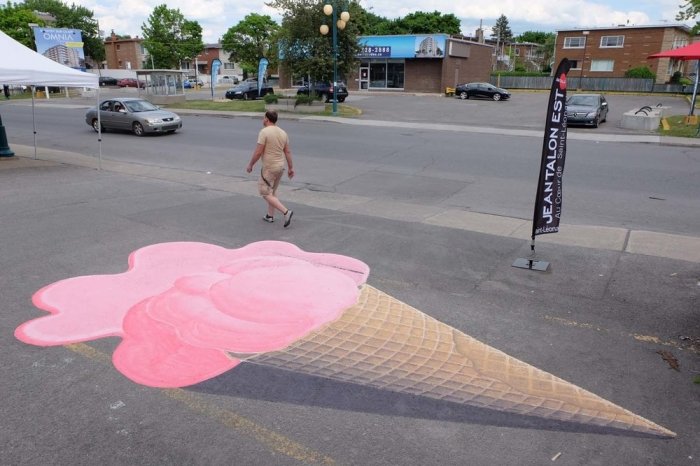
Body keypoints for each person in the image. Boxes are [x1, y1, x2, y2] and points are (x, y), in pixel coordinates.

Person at [246, 110, 295, 227]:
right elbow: (287, 151)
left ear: (267, 119)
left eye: (264, 118)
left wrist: (250, 164)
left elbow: (258, 152)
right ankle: (270, 215)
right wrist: (290, 168)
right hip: (280, 167)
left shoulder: (264, 132)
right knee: (272, 191)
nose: (263, 120)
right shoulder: (283, 133)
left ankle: (286, 212)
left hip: (269, 168)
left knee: (265, 192)